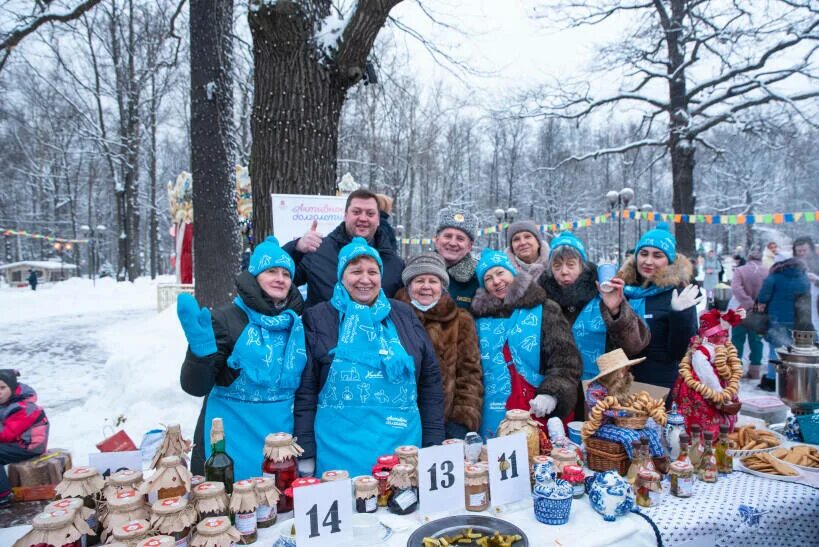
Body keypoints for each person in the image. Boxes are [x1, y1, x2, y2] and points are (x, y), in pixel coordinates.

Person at [294, 238, 445, 476]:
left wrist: (434, 443)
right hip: (338, 453)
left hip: (403, 451)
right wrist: (306, 453)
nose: (365, 279)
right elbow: (305, 390)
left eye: (372, 272)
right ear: (341, 276)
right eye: (356, 271)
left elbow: (430, 381)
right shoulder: (318, 317)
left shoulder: (403, 313)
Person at [178, 236, 306, 478]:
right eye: (271, 271)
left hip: (279, 440)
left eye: (286, 274)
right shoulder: (227, 319)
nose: (280, 278)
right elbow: (195, 386)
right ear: (255, 276)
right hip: (231, 437)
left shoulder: (296, 324)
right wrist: (200, 352)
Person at [471, 248, 582, 439]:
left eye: (500, 273)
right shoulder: (479, 321)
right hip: (491, 415)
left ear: (512, 273)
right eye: (488, 278)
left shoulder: (544, 309)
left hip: (536, 408)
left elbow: (566, 363)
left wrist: (552, 393)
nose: (496, 281)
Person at [538, 231, 650, 401]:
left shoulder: (603, 294)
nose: (564, 272)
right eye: (557, 266)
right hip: (554, 395)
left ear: (582, 266)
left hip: (602, 395)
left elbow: (636, 345)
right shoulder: (541, 300)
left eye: (571, 264)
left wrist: (616, 311)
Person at [394, 253, 483, 438]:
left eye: (433, 281)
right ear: (409, 285)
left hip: (444, 424)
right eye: (419, 280)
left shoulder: (461, 321)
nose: (426, 286)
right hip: (397, 422)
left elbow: (470, 376)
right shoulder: (393, 317)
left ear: (442, 287)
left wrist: (461, 422)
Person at [284, 189, 404, 308]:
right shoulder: (317, 251)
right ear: (345, 216)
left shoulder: (395, 264)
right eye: (356, 212)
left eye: (370, 213)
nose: (363, 218)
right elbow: (275, 278)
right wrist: (296, 248)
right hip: (322, 326)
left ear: (378, 220)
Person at [618, 223, 701, 392]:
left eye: (657, 255)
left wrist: (681, 315)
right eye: (643, 254)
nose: (648, 261)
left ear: (669, 260)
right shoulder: (622, 289)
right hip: (620, 382)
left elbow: (680, 353)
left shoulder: (679, 294)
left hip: (659, 387)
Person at [756, 254, 811, 391]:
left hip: (777, 318)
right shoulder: (804, 278)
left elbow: (763, 297)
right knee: (792, 350)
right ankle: (790, 380)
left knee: (775, 349)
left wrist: (761, 305)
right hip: (796, 320)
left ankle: (772, 380)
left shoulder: (775, 276)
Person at [0, 369, 49, 506]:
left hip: (29, 446)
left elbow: (6, 435)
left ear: (13, 387)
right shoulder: (8, 401)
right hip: (17, 440)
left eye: (3, 387)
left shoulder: (24, 407)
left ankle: (3, 495)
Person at [730, 247, 768, 379]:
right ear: (761, 259)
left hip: (740, 310)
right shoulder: (767, 271)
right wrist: (757, 304)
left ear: (749, 258)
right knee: (756, 341)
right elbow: (768, 291)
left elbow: (736, 288)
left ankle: (736, 370)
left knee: (737, 340)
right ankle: (755, 370)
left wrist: (747, 302)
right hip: (759, 312)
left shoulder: (740, 270)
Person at [433, 206, 479, 309]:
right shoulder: (417, 270)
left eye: (460, 238)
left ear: (469, 246)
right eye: (448, 236)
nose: (453, 243)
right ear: (436, 240)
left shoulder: (479, 279)